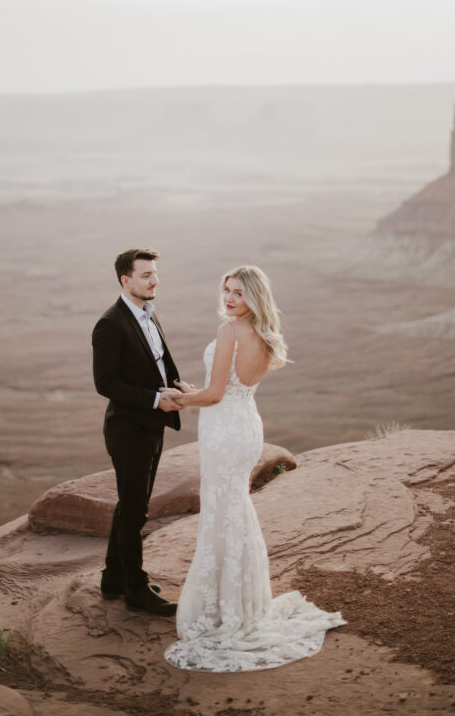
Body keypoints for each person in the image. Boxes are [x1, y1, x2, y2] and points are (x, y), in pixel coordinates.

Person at [164, 265, 346, 671]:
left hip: (224, 430)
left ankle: (225, 611)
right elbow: (231, 389)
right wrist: (199, 395)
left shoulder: (229, 332)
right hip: (244, 424)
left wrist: (175, 399)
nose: (229, 298)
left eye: (239, 293)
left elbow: (214, 395)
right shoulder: (262, 332)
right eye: (227, 290)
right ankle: (244, 603)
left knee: (221, 510)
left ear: (253, 298)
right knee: (235, 508)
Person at [92, 247, 184, 616]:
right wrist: (153, 400)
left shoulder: (147, 313)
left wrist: (175, 386)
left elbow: (156, 363)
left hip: (150, 425)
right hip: (128, 430)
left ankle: (113, 578)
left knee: (131, 506)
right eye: (146, 275)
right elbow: (106, 383)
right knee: (135, 511)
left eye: (155, 274)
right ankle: (135, 590)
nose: (154, 280)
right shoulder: (110, 324)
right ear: (124, 280)